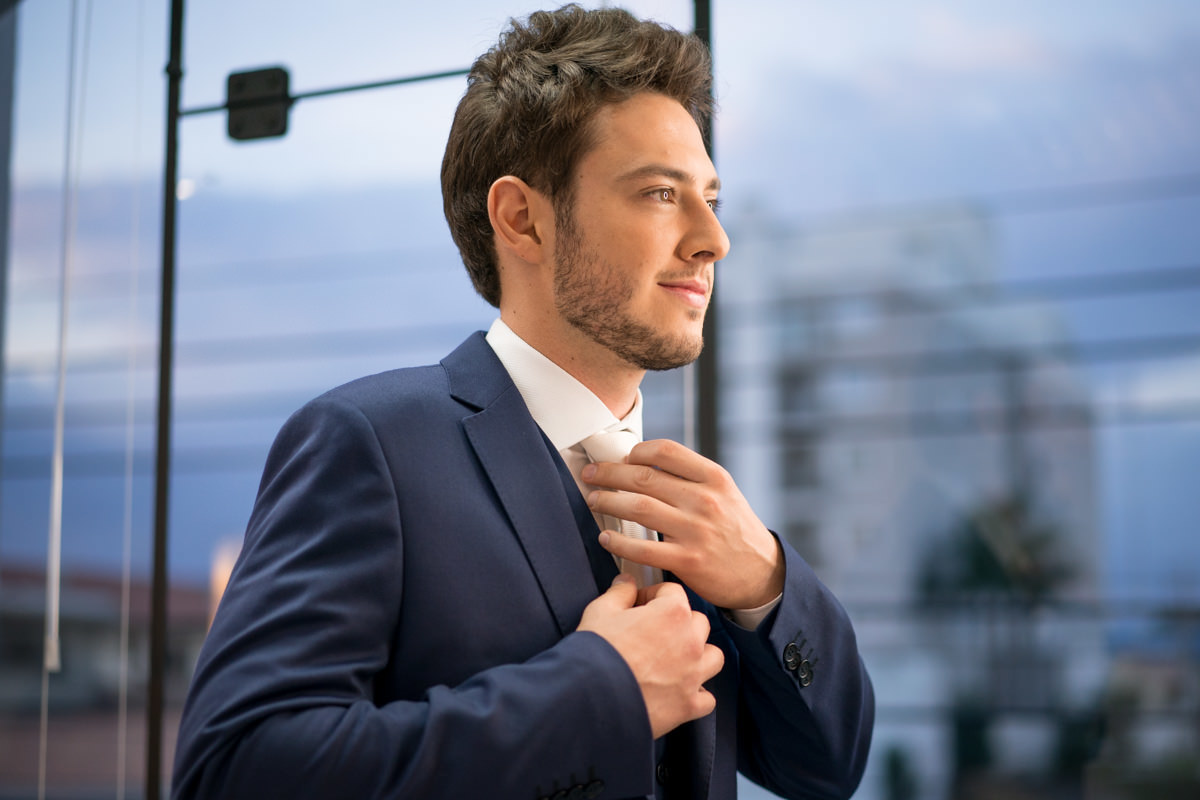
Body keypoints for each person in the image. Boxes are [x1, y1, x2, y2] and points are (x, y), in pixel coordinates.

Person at [171, 5, 874, 799]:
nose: (713, 237)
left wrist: (766, 585)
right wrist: (599, 692)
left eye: (710, 196)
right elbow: (234, 770)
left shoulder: (694, 512)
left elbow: (827, 768)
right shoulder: (371, 444)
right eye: (658, 193)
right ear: (522, 219)